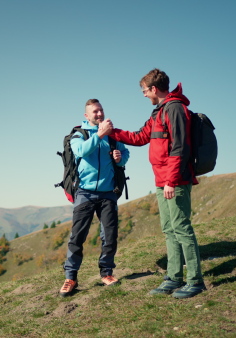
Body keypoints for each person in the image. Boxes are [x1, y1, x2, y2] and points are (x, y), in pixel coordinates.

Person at [99, 68, 206, 299]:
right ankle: (174, 277)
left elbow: (181, 148)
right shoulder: (159, 112)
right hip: (162, 181)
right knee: (169, 229)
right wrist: (112, 132)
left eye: (144, 90)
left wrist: (171, 180)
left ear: (154, 89)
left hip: (174, 180)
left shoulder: (175, 109)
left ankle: (195, 281)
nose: (144, 94)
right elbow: (139, 137)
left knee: (182, 228)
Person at [59, 98, 130, 297]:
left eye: (101, 111)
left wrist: (119, 158)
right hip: (85, 192)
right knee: (78, 235)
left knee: (109, 234)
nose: (99, 114)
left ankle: (106, 273)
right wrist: (100, 134)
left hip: (108, 192)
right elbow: (81, 150)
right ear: (86, 116)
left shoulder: (112, 136)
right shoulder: (78, 135)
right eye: (95, 112)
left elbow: (125, 154)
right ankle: (70, 277)